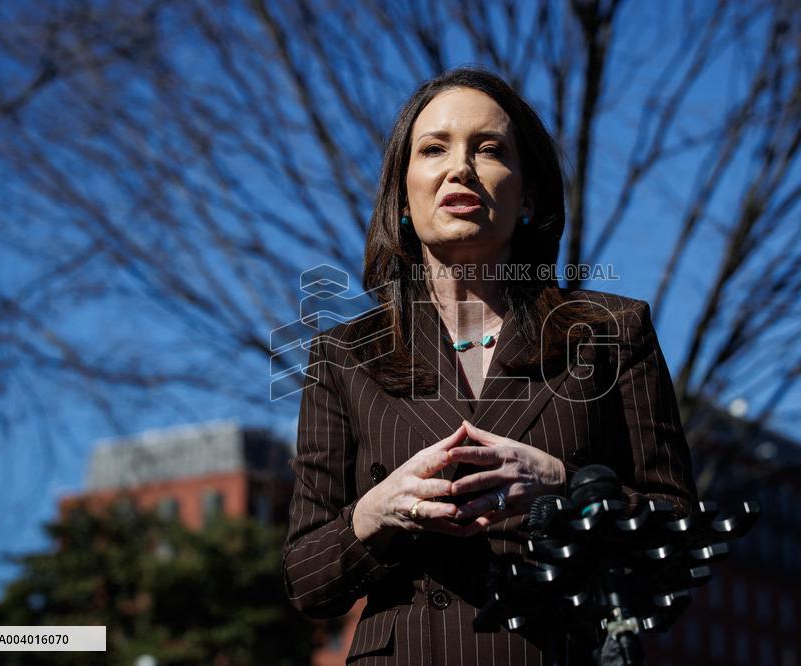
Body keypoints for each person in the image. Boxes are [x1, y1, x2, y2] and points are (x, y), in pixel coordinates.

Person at [281, 66, 697, 665]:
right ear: (401, 197)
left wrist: (565, 488)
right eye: (433, 149)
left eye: (490, 149)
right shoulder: (344, 356)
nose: (460, 169)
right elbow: (306, 580)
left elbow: (680, 540)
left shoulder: (610, 334)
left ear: (527, 197)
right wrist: (379, 510)